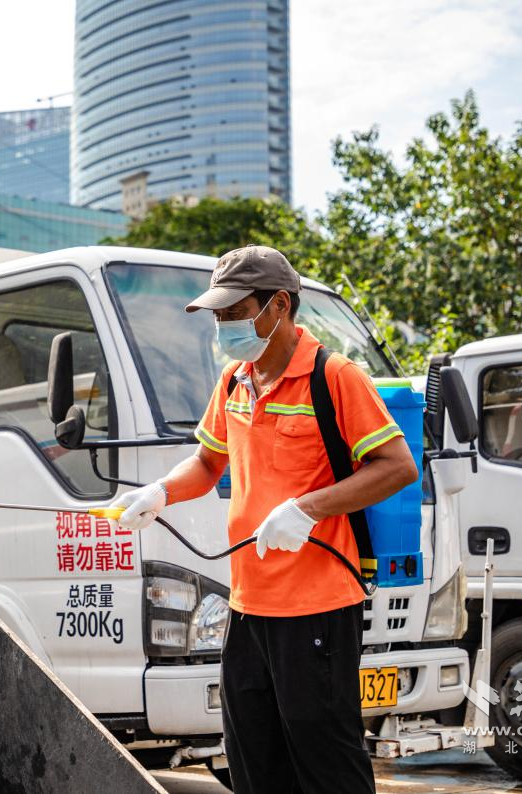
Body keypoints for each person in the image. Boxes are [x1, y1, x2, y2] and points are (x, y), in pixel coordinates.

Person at [108, 245, 417, 794]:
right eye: (218, 315)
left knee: (327, 767)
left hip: (318, 608)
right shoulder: (235, 380)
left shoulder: (334, 376)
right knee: (253, 762)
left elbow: (397, 467)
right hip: (248, 607)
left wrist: (306, 508)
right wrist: (161, 492)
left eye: (235, 312)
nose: (224, 325)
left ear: (279, 305)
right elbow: (208, 463)